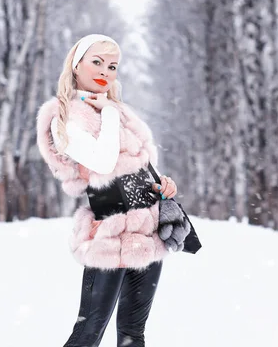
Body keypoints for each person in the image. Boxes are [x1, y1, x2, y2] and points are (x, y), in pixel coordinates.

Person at [36, 34, 178, 347]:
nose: (105, 71)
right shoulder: (68, 116)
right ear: (76, 65)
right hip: (108, 236)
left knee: (132, 334)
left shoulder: (119, 113)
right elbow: (103, 162)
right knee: (88, 334)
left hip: (147, 235)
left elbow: (140, 167)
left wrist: (162, 184)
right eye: (97, 62)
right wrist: (110, 113)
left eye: (112, 65)